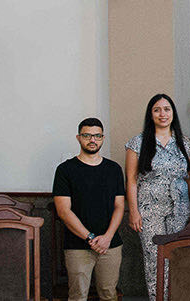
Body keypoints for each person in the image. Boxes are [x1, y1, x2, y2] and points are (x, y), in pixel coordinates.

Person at [125, 94, 190, 299]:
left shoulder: (185, 142)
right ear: (150, 114)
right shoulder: (137, 143)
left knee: (177, 256)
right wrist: (134, 212)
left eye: (167, 109)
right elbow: (131, 180)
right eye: (157, 110)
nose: (162, 114)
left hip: (180, 210)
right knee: (154, 258)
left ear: (173, 113)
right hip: (149, 211)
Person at [53, 118, 125, 301]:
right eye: (87, 135)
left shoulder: (114, 169)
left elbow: (119, 206)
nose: (92, 139)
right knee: (77, 296)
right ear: (78, 137)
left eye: (97, 136)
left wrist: (107, 237)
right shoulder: (65, 170)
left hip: (111, 244)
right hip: (78, 246)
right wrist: (90, 238)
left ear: (102, 138)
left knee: (109, 294)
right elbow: (63, 211)